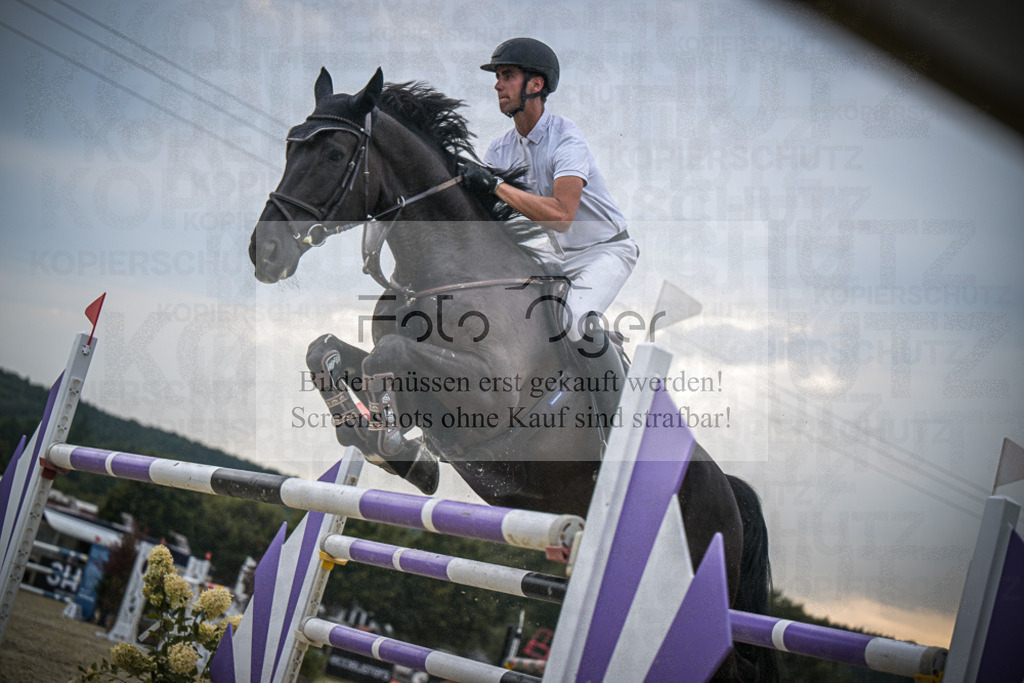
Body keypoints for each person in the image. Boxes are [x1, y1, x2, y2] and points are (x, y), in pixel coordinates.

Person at [461, 37, 638, 345]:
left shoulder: (567, 138)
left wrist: (496, 186)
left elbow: (561, 216)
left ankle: (612, 388)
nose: (497, 86)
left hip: (605, 251)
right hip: (554, 261)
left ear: (535, 84)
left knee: (572, 322)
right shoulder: (500, 149)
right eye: (497, 77)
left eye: (507, 76)